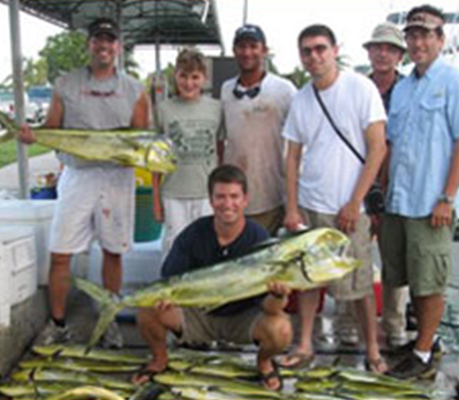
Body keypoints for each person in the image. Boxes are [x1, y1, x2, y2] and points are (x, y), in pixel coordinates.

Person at [19, 18, 150, 348]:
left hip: (118, 178)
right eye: (98, 40)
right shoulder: (66, 83)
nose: (104, 46)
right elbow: (52, 130)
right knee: (61, 252)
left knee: (113, 252)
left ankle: (108, 322)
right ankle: (58, 322)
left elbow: (139, 139)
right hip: (77, 175)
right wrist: (32, 135)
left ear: (118, 47)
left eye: (110, 40)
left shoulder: (136, 89)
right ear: (89, 44)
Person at [280, 24, 388, 372]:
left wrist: (355, 201)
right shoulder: (301, 98)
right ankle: (305, 344)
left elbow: (378, 148)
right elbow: (293, 156)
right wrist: (293, 206)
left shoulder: (361, 88)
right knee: (310, 282)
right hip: (312, 205)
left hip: (349, 209)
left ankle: (373, 350)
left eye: (320, 48)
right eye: (307, 51)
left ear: (335, 50)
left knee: (359, 288)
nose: (314, 56)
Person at [133, 165, 292, 391]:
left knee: (281, 328)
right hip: (199, 314)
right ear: (210, 200)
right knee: (148, 308)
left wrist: (278, 295)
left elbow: (271, 308)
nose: (228, 204)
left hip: (242, 319)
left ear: (245, 200)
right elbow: (169, 280)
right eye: (221, 197)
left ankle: (264, 363)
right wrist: (167, 299)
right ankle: (159, 359)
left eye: (234, 197)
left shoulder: (261, 240)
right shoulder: (194, 233)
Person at [380, 5, 459, 379]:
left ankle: (424, 354)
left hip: (431, 203)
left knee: (430, 280)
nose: (418, 41)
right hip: (399, 201)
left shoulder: (452, 81)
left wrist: (447, 196)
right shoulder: (403, 88)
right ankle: (421, 342)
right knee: (410, 275)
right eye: (412, 35)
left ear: (441, 39)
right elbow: (390, 145)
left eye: (426, 34)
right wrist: (380, 195)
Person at [334, 22, 409, 349]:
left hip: (399, 187)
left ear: (399, 55)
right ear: (368, 51)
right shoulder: (354, 87)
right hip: (356, 188)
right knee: (347, 256)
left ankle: (395, 324)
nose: (382, 53)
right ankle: (346, 323)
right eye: (377, 47)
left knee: (394, 262)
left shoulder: (410, 90)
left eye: (390, 48)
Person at [221, 24, 297, 235]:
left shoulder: (285, 90)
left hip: (272, 197)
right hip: (233, 198)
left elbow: (300, 144)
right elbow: (220, 140)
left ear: (264, 50)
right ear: (234, 51)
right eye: (241, 46)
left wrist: (293, 202)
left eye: (253, 46)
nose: (247, 53)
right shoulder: (226, 90)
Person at [152, 48, 224, 258]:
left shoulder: (216, 108)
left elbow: (221, 153)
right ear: (175, 75)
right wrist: (156, 199)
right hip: (173, 193)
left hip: (206, 194)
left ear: (204, 78)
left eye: (195, 77)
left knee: (206, 248)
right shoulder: (163, 110)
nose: (189, 83)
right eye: (183, 76)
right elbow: (155, 158)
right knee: (175, 247)